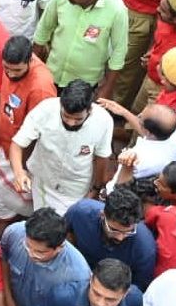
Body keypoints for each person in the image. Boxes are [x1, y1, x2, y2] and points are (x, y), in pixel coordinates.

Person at [9, 80, 113, 216]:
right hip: (43, 179)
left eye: (78, 119)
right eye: (66, 116)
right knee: (44, 221)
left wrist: (97, 187)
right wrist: (19, 172)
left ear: (89, 110)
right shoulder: (45, 109)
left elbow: (102, 157)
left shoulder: (103, 120)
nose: (70, 123)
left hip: (75, 186)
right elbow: (17, 144)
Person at [0, 34, 56, 223]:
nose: (10, 74)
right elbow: (0, 90)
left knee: (19, 194)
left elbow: (40, 134)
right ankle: (0, 215)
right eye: (6, 69)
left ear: (30, 60)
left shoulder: (40, 88)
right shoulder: (7, 63)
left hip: (18, 152)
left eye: (17, 70)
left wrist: (22, 164)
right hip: (1, 140)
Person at [32, 0, 125, 95]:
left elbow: (119, 51)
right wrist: (33, 67)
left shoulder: (116, 9)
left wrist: (107, 88)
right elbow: (43, 30)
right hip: (52, 75)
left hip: (84, 86)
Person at [0, 207, 92, 306]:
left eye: (40, 252)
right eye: (27, 246)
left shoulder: (78, 275)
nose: (31, 254)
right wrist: (8, 298)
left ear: (59, 247)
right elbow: (4, 260)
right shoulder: (14, 232)